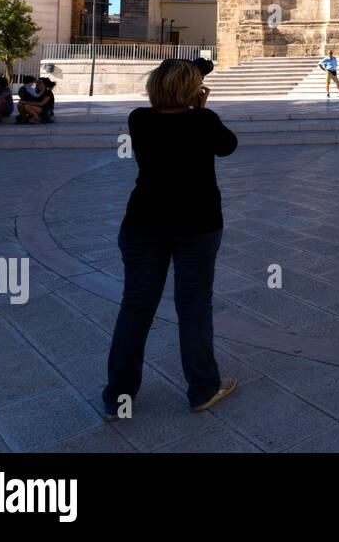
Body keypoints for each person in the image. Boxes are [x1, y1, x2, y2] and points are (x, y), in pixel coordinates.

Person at [102, 58, 239, 420]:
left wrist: (187, 90)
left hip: (142, 224)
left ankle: (118, 398)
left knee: (135, 309)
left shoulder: (139, 120)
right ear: (192, 91)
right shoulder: (204, 121)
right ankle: (203, 389)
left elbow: (168, 111)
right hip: (198, 225)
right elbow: (228, 146)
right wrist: (201, 108)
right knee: (194, 308)